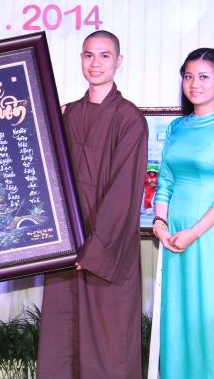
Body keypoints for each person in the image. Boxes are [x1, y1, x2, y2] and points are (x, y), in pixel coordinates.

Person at [37, 31, 148, 378]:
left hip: (106, 251)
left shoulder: (129, 119)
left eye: (104, 55)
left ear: (119, 61)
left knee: (107, 343)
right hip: (66, 246)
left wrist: (94, 250)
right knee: (62, 337)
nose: (95, 63)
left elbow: (124, 192)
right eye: (88, 55)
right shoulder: (67, 114)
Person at [153, 47, 214, 378]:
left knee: (212, 315)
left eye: (204, 76)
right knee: (178, 316)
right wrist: (160, 224)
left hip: (211, 236)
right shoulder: (176, 128)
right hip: (173, 238)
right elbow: (165, 182)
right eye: (188, 76)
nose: (195, 84)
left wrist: (194, 232)